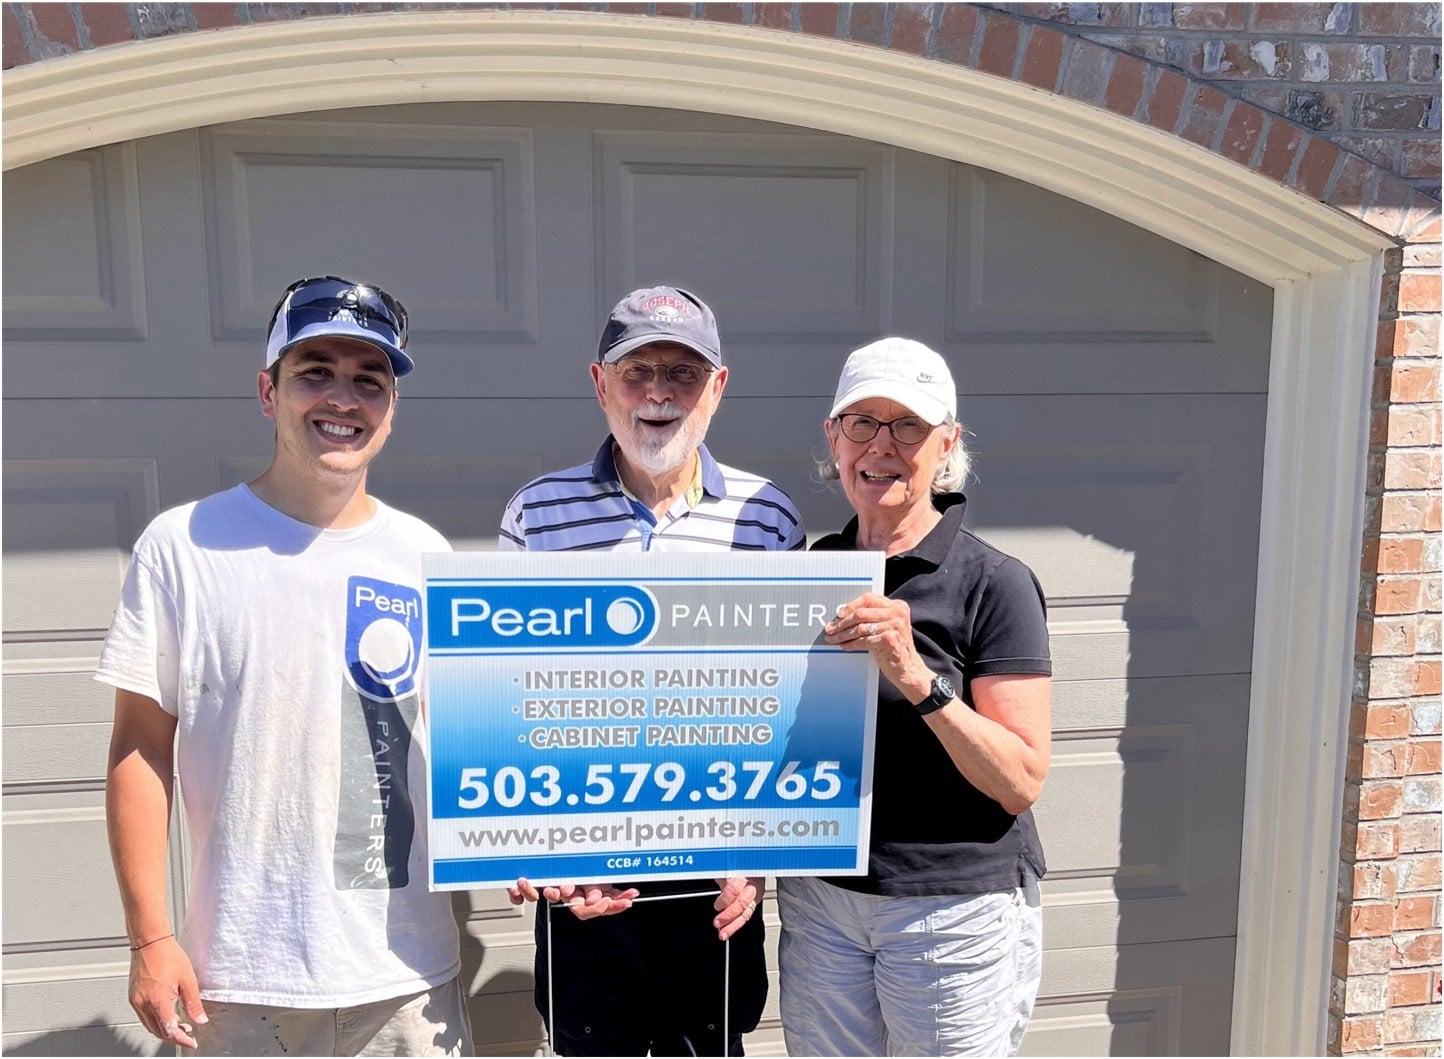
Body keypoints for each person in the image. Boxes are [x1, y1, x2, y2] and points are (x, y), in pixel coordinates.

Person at [100, 276, 472, 1056]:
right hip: (236, 978)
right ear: (268, 392)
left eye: (369, 380)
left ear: (391, 409)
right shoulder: (184, 547)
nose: (343, 397)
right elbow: (140, 745)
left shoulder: (426, 559)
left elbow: (473, 749)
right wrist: (148, 937)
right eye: (315, 372)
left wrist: (561, 846)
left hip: (405, 977)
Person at [500, 285, 806, 1056]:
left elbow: (792, 704)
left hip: (714, 877)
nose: (660, 393)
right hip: (584, 878)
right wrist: (527, 846)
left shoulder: (766, 517)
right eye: (638, 371)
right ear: (600, 384)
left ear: (719, 389)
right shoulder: (537, 513)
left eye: (684, 372)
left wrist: (759, 860)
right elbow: (507, 699)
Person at [777, 337, 1051, 1057]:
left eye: (908, 426)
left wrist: (917, 678)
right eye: (862, 422)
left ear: (947, 443)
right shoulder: (811, 572)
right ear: (833, 438)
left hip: (950, 905)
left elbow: (1021, 780)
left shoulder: (994, 582)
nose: (883, 445)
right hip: (823, 899)